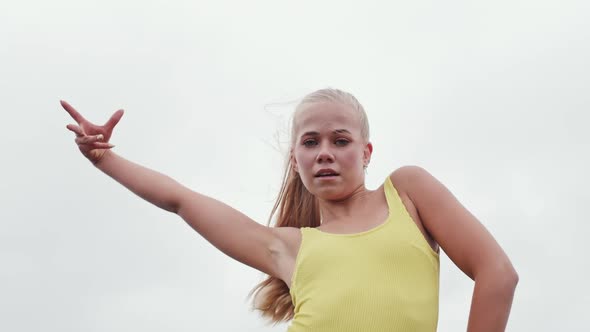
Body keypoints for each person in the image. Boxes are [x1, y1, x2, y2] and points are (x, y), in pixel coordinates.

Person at [61, 88, 518, 332]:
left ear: (366, 152)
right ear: (295, 158)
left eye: (341, 140)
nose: (325, 152)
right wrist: (105, 158)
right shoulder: (288, 248)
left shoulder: (407, 194)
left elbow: (497, 274)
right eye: (310, 142)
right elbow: (181, 199)